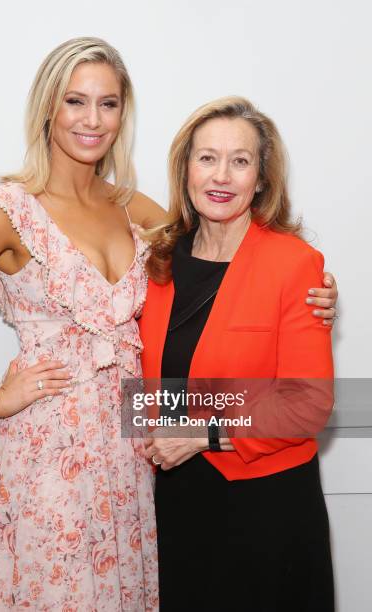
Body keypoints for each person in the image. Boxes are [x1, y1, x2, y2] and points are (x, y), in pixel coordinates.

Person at [0, 37, 337, 610]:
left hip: (131, 456)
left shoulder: (133, 209)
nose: (91, 120)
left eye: (108, 103)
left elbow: (227, 245)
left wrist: (315, 290)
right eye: (76, 101)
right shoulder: (7, 211)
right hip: (47, 451)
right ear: (48, 107)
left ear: (124, 113)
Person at [139, 97, 335, 611]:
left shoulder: (296, 264)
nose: (221, 175)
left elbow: (308, 404)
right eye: (206, 157)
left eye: (240, 160)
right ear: (185, 169)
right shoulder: (156, 262)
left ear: (261, 179)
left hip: (265, 509)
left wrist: (202, 433)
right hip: (177, 502)